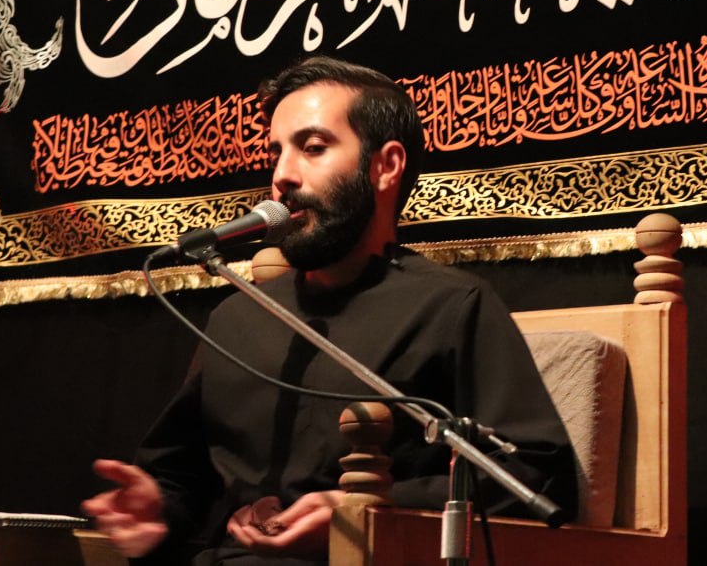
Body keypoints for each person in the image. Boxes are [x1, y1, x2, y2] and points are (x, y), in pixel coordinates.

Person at [83, 57, 577, 565]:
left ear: (386, 166)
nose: (283, 175)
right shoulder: (237, 318)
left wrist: (364, 513)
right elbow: (178, 478)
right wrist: (156, 513)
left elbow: (535, 477)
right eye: (276, 151)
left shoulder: (452, 307)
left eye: (313, 148)